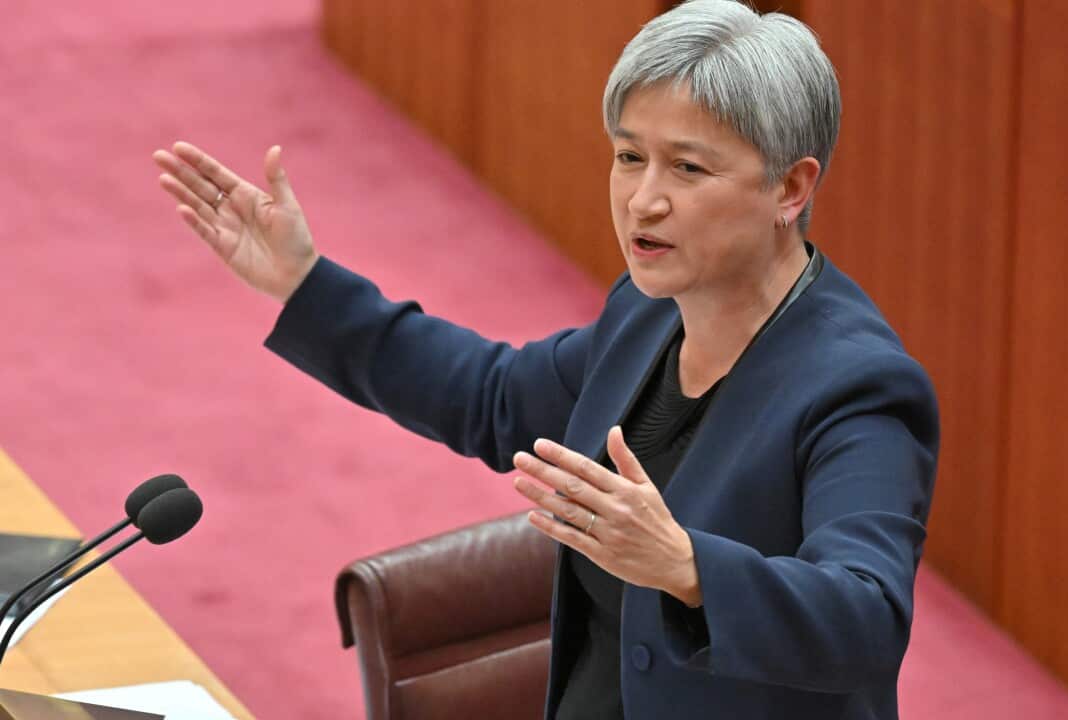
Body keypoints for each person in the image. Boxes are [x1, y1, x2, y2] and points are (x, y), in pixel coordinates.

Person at [152, 1, 938, 717]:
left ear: (791, 188)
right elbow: (491, 398)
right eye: (630, 157)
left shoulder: (856, 389)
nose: (644, 199)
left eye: (688, 169)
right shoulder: (645, 315)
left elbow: (864, 616)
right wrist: (305, 286)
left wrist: (687, 564)